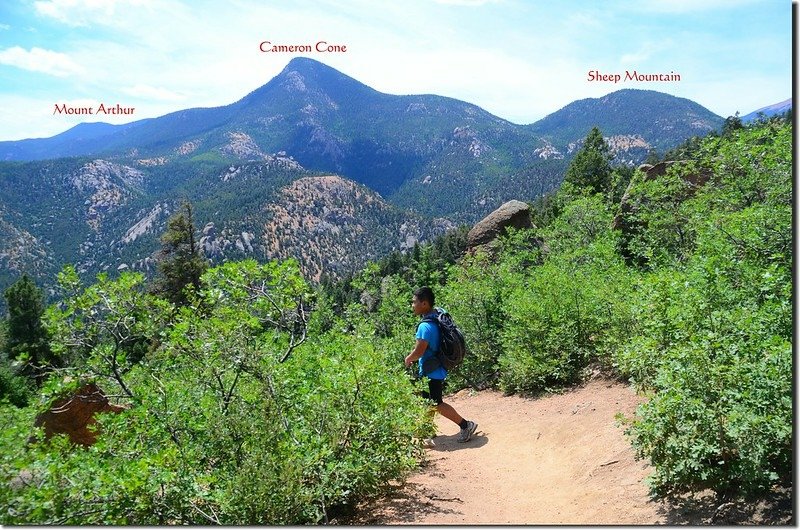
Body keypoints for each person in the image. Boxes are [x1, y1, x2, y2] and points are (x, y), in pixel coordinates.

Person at [405, 286, 477, 443]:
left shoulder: (424, 326)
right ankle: (427, 431)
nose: (412, 305)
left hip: (432, 371)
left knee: (436, 403)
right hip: (438, 367)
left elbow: (419, 352)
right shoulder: (438, 313)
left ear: (424, 304)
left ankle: (466, 425)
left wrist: (409, 358)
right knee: (428, 400)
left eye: (414, 302)